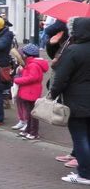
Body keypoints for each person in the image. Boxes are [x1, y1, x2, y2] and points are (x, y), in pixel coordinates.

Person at [50, 17, 90, 185]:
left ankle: (85, 174)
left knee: (80, 137)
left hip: (78, 101)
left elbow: (61, 77)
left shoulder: (73, 50)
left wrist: (53, 93)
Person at [13, 44, 48, 140]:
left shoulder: (33, 65)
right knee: (29, 113)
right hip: (28, 92)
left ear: (27, 55)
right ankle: (28, 130)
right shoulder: (30, 64)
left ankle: (34, 132)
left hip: (31, 93)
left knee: (33, 114)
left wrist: (17, 80)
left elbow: (32, 78)